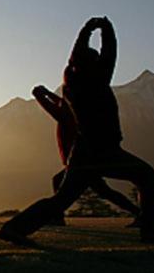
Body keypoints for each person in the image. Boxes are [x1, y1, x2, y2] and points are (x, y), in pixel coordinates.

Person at [0, 17, 154, 244]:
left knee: (61, 199)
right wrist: (105, 29)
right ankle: (151, 230)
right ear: (92, 64)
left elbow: (81, 56)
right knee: (146, 175)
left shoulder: (71, 85)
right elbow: (110, 53)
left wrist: (87, 30)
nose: (101, 60)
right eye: (96, 59)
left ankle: (14, 228)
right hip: (104, 151)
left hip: (82, 152)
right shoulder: (98, 80)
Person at [31, 85, 140, 226]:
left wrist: (39, 96)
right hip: (86, 159)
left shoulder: (67, 115)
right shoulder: (75, 110)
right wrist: (47, 93)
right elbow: (61, 103)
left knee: (63, 183)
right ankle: (138, 212)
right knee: (103, 191)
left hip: (81, 161)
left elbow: (55, 110)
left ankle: (57, 218)